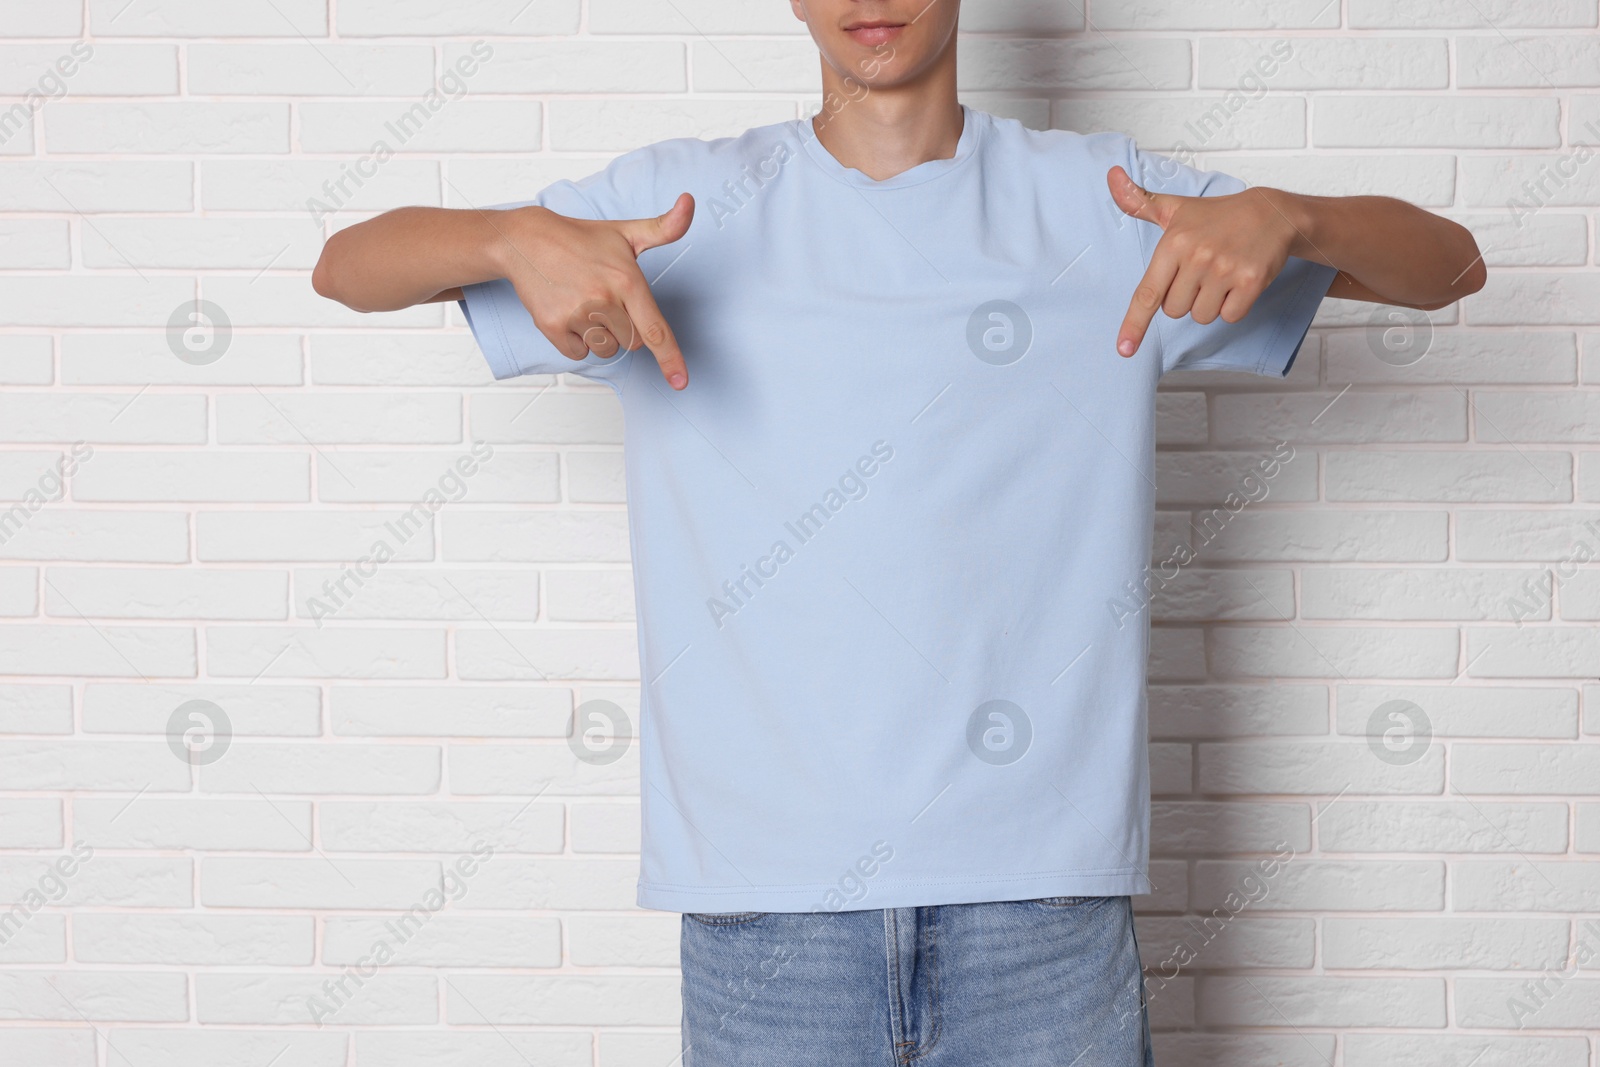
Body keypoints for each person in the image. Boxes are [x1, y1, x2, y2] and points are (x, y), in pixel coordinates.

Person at [312, 2, 1485, 1063]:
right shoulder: (677, 210)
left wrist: (1291, 215)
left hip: (1044, 912)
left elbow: (1450, 268)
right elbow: (347, 266)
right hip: (763, 918)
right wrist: (511, 235)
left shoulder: (1107, 205)